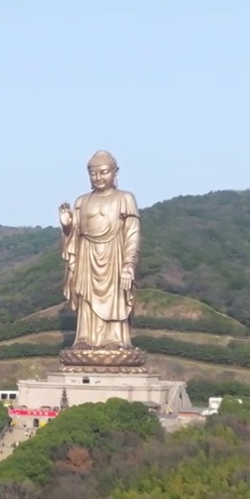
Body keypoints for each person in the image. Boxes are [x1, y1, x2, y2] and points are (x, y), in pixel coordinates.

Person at [58, 150, 142, 350]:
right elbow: (74, 234)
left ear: (115, 172)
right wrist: (67, 226)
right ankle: (85, 338)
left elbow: (132, 232)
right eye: (93, 173)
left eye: (104, 172)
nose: (99, 178)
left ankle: (115, 339)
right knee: (87, 298)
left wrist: (129, 263)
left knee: (115, 296)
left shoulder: (125, 198)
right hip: (87, 253)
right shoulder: (82, 201)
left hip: (114, 253)